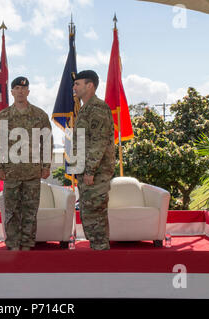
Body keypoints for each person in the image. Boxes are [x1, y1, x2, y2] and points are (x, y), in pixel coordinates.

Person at [0, 76, 53, 251]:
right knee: (11, 213)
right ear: (11, 92)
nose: (20, 91)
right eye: (16, 88)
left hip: (33, 173)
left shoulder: (39, 115)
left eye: (23, 88)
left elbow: (47, 141)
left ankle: (27, 244)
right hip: (10, 174)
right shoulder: (2, 116)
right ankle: (12, 244)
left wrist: (46, 165)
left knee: (30, 212)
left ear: (28, 92)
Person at [72, 70, 115, 250]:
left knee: (95, 214)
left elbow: (99, 142)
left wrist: (90, 170)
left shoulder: (97, 108)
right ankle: (97, 251)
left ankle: (101, 256)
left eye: (78, 84)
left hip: (95, 173)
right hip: (86, 171)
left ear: (90, 85)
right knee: (89, 213)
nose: (74, 87)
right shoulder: (85, 109)